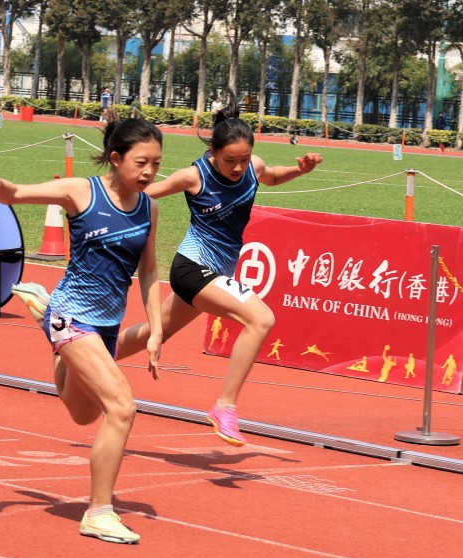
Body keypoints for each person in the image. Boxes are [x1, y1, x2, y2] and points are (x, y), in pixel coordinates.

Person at [0, 110, 164, 544]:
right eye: (141, 163)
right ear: (116, 158)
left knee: (83, 415)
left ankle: (48, 326)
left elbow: (151, 271)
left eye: (156, 163)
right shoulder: (82, 191)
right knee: (122, 408)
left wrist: (155, 329)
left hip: (107, 324)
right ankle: (99, 513)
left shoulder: (149, 208)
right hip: (73, 316)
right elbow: (18, 192)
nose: (149, 172)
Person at [113, 89, 322, 446]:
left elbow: (271, 176)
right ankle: (225, 406)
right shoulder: (193, 176)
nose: (238, 167)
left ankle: (87, 355)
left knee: (155, 331)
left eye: (244, 159)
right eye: (229, 161)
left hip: (217, 273)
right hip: (192, 268)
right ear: (213, 152)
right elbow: (141, 194)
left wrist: (299, 170)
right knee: (261, 319)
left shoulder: (253, 167)